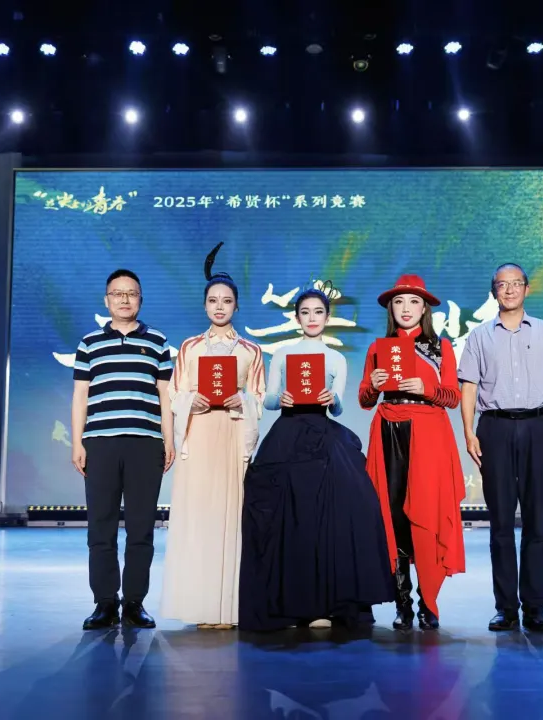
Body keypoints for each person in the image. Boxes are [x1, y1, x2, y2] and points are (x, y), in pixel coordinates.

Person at [239, 283, 395, 631]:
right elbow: (269, 399)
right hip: (287, 435)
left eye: (318, 312)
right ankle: (291, 604)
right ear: (297, 318)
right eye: (305, 312)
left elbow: (338, 407)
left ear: (327, 317)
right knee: (290, 520)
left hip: (323, 436)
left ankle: (327, 602)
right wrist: (282, 398)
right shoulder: (282, 353)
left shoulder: (336, 358)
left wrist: (330, 398)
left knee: (332, 517)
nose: (312, 318)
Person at [457, 263, 543, 634]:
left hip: (539, 427)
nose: (509, 290)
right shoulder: (479, 336)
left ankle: (535, 608)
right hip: (494, 428)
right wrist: (468, 432)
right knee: (501, 523)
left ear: (526, 289)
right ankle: (506, 608)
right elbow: (469, 387)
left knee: (537, 522)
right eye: (502, 285)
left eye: (516, 283)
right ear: (494, 291)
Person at [161, 243, 265, 629]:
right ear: (205, 305)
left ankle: (229, 608)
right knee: (199, 518)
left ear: (236, 306)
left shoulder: (251, 351)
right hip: (200, 432)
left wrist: (242, 400)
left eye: (227, 301)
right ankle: (201, 607)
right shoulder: (189, 348)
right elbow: (174, 393)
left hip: (233, 433)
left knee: (232, 518)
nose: (219, 307)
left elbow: (258, 396)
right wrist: (193, 400)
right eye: (213, 300)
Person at [360, 274, 466, 631]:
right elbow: (364, 400)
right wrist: (373, 386)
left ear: (424, 309)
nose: (406, 308)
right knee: (393, 516)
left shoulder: (440, 347)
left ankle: (429, 603)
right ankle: (402, 603)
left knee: (426, 513)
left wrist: (427, 388)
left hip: (428, 434)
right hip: (388, 431)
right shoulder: (379, 348)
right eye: (399, 302)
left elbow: (453, 397)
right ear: (391, 308)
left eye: (413, 302)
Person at [71, 268, 175, 630]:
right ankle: (104, 602)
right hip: (100, 443)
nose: (124, 299)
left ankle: (134, 602)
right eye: (117, 293)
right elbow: (80, 395)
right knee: (100, 526)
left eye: (131, 293)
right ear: (107, 300)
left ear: (140, 299)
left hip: (146, 444)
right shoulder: (89, 343)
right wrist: (77, 442)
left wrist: (169, 440)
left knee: (141, 527)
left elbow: (166, 396)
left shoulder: (158, 342)